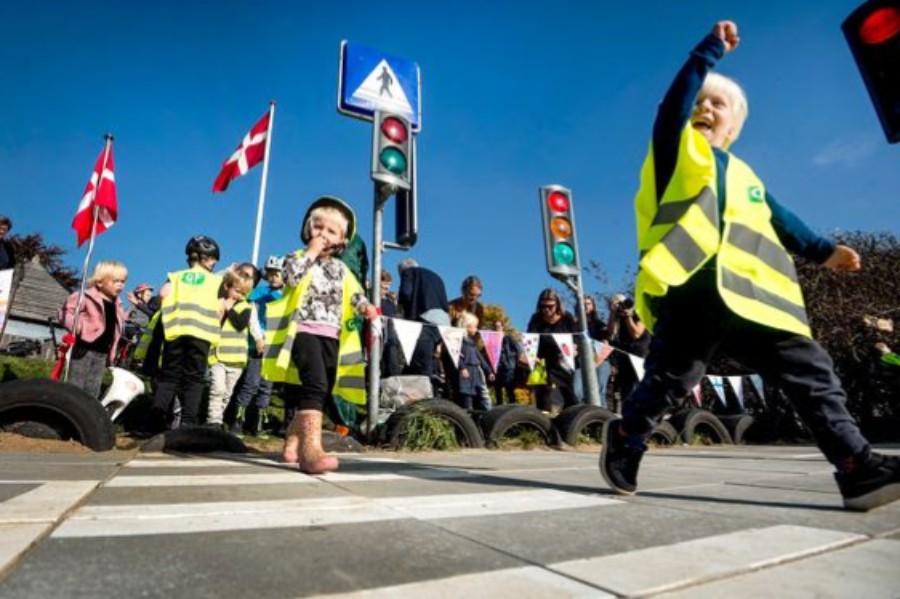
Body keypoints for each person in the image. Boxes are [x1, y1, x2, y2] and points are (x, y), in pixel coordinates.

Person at [600, 20, 900, 512]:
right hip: (690, 289)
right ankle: (628, 435)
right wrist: (708, 54)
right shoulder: (675, 153)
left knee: (812, 374)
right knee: (673, 379)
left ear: (733, 127)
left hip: (760, 301)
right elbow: (673, 104)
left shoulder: (747, 177)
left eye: (717, 105)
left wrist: (824, 250)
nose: (704, 108)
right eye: (700, 101)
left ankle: (856, 467)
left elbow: (784, 222)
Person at [262, 196, 378, 474]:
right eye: (318, 228)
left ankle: (291, 443)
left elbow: (355, 294)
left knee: (322, 389)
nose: (322, 235)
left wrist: (365, 306)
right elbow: (290, 277)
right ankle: (310, 452)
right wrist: (310, 252)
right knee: (314, 384)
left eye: (331, 231)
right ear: (307, 229)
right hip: (303, 330)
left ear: (342, 240)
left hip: (333, 335)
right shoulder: (298, 258)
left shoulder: (342, 269)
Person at [141, 236, 223, 435]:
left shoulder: (176, 276)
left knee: (169, 378)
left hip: (174, 334)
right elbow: (220, 309)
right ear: (206, 258)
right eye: (213, 260)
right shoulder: (216, 281)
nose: (214, 264)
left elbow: (162, 295)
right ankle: (188, 424)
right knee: (194, 380)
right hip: (201, 335)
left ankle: (154, 424)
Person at [58, 260, 128, 398]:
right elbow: (65, 313)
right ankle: (69, 409)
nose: (120, 284)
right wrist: (78, 326)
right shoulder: (85, 297)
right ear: (100, 282)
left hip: (102, 352)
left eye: (123, 281)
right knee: (76, 385)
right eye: (115, 281)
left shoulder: (117, 304)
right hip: (84, 348)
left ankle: (86, 414)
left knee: (93, 388)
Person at [231, 256, 283, 437]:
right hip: (258, 345)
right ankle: (237, 422)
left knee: (266, 387)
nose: (273, 278)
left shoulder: (287, 294)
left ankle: (259, 424)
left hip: (275, 347)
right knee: (251, 383)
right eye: (270, 274)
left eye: (277, 274)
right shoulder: (259, 292)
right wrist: (258, 338)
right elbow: (252, 317)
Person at [205, 268, 254, 428]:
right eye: (236, 291)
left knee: (227, 393)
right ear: (227, 286)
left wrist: (230, 309)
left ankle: (218, 418)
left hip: (236, 360)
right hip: (217, 356)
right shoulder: (218, 302)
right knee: (216, 389)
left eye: (243, 293)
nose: (238, 295)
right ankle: (214, 421)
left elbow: (240, 324)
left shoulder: (246, 307)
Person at [396, 258, 451, 389]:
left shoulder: (408, 272)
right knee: (427, 359)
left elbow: (406, 293)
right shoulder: (436, 277)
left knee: (421, 364)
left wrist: (401, 309)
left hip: (425, 319)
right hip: (443, 322)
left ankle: (424, 396)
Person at [526, 288, 579, 414]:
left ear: (557, 304)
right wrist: (531, 355)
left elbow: (576, 336)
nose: (547, 310)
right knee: (541, 389)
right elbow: (530, 338)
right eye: (543, 306)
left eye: (550, 306)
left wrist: (575, 348)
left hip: (562, 358)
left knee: (568, 389)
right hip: (540, 357)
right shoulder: (536, 318)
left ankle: (573, 413)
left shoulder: (567, 317)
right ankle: (543, 416)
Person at [605, 293, 650, 412]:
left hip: (640, 356)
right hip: (624, 356)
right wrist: (613, 314)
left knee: (638, 388)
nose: (620, 307)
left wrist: (628, 317)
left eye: (620, 304)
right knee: (626, 390)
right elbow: (610, 333)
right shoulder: (616, 317)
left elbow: (636, 334)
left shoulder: (639, 313)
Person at [574, 296, 612, 408]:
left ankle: (601, 418)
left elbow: (606, 344)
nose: (585, 306)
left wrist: (595, 363)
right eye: (583, 303)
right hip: (580, 362)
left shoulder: (599, 324)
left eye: (589, 303)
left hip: (600, 360)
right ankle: (583, 417)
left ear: (593, 306)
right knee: (577, 391)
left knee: (599, 391)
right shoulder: (573, 325)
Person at [456, 311, 492, 411]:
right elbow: (457, 355)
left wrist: (488, 371)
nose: (476, 329)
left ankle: (485, 413)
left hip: (476, 371)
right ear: (466, 326)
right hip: (467, 371)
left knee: (481, 393)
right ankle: (468, 414)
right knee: (467, 395)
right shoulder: (459, 341)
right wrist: (462, 367)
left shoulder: (472, 342)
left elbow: (480, 358)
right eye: (474, 326)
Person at [493, 320, 523, 405]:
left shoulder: (508, 338)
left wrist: (512, 358)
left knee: (509, 388)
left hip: (508, 366)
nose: (496, 329)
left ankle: (512, 407)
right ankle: (499, 408)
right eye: (495, 327)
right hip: (497, 368)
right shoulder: (492, 340)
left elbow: (518, 349)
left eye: (498, 326)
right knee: (497, 390)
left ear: (502, 327)